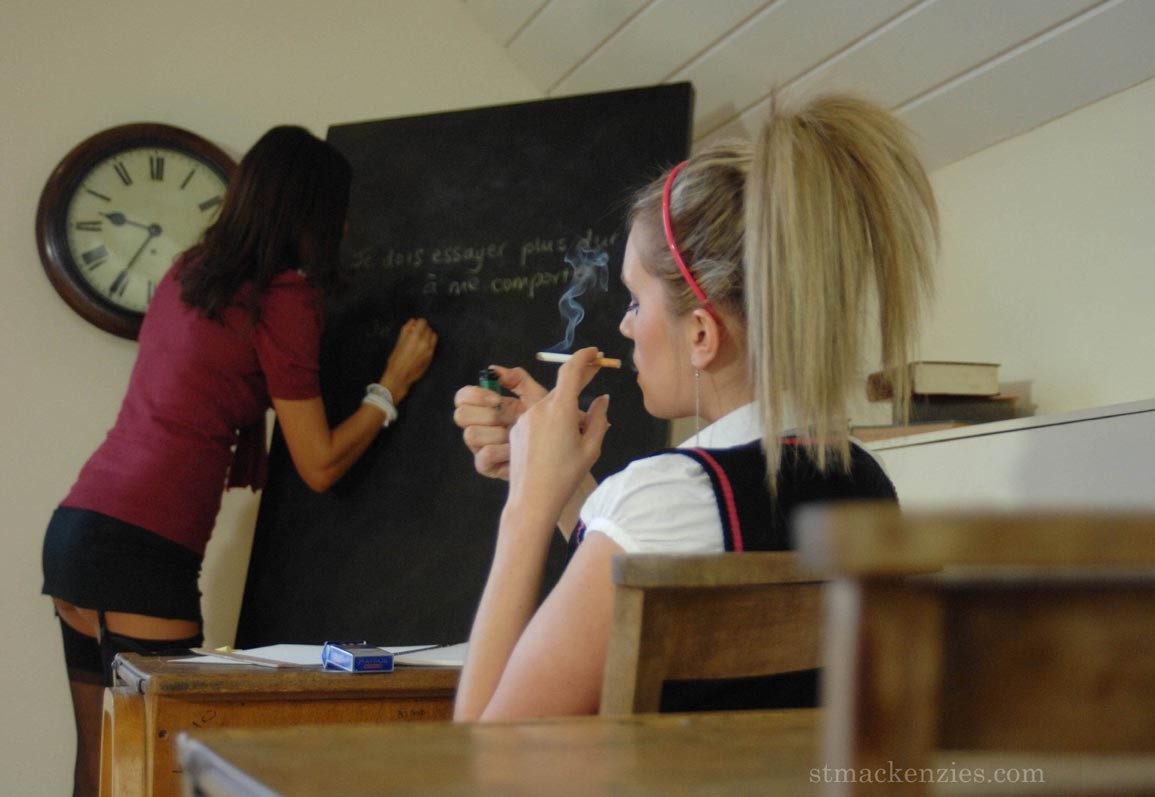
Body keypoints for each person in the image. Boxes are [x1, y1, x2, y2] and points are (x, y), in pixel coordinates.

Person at [451, 95, 938, 721]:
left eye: (634, 301)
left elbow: (481, 763)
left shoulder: (663, 497)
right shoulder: (865, 485)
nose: (624, 327)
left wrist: (527, 507)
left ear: (702, 334)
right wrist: (563, 483)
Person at [42, 126, 437, 796]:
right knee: (163, 763)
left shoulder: (188, 273)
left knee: (104, 758)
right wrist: (390, 386)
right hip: (142, 547)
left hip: (79, 529)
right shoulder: (282, 299)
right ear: (312, 211)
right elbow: (319, 462)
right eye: (338, 209)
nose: (344, 224)